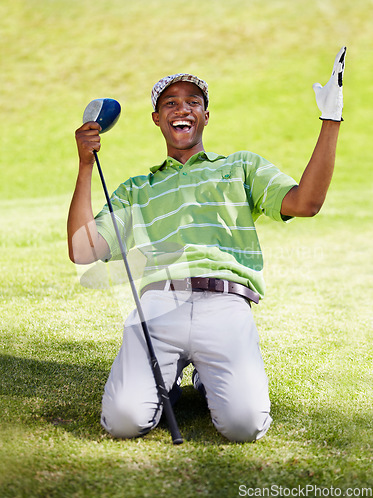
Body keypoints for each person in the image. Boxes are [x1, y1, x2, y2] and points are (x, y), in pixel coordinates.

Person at [67, 47, 346, 442]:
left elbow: (307, 203)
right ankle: (172, 385)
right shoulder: (136, 189)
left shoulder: (241, 167)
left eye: (193, 102)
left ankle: (203, 378)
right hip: (159, 306)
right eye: (170, 103)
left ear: (205, 115)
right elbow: (83, 250)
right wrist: (84, 165)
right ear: (157, 118)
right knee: (123, 422)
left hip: (226, 303)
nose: (182, 109)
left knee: (244, 426)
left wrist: (330, 118)